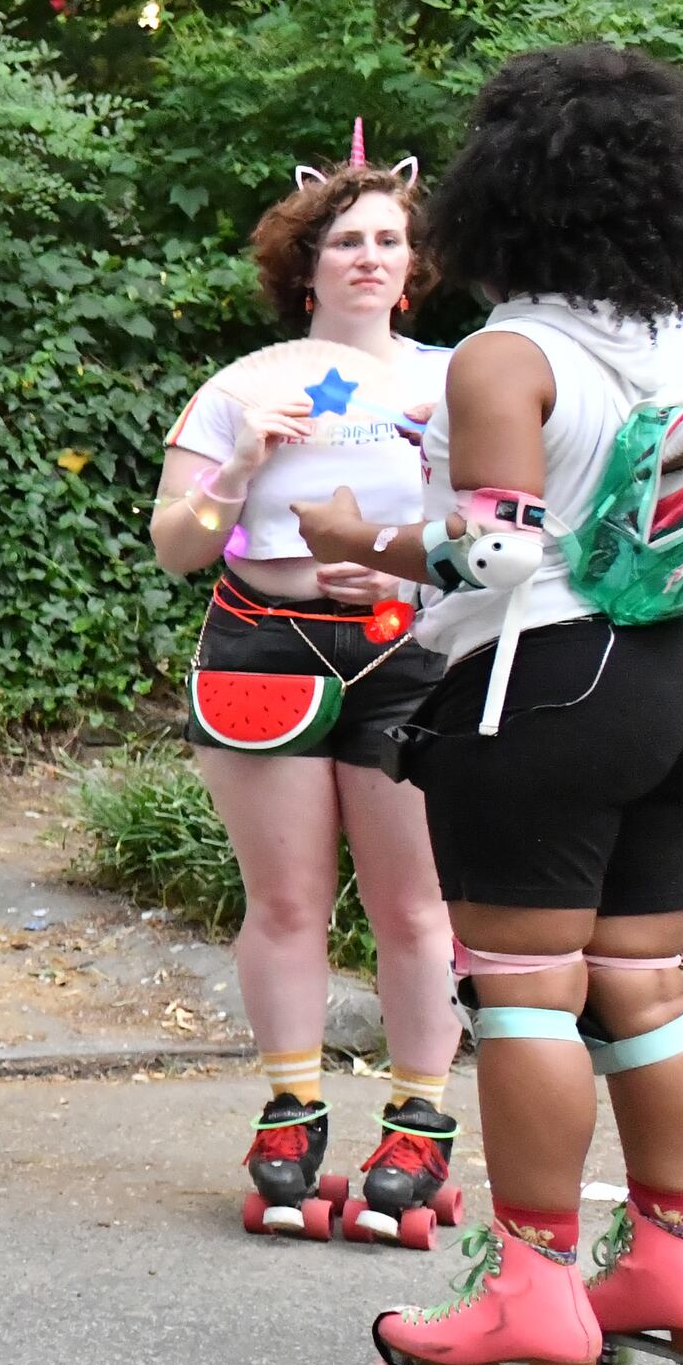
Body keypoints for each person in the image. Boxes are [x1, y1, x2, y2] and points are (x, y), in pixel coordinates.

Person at [298, 44, 683, 1365]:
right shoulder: (675, 345)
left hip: (555, 685)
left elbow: (495, 555)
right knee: (643, 981)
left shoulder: (510, 352)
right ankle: (677, 1267)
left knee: (520, 992)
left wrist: (364, 541)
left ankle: (530, 1287)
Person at [149, 140, 464, 1239]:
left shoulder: (454, 378)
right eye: (347, 241)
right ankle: (293, 1105)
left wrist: (398, 553)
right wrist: (238, 475)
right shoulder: (243, 385)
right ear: (307, 265)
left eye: (389, 240)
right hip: (263, 647)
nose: (370, 258)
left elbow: (499, 523)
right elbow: (176, 545)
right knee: (284, 901)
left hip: (408, 650)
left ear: (413, 262)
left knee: (411, 904)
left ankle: (420, 1117)